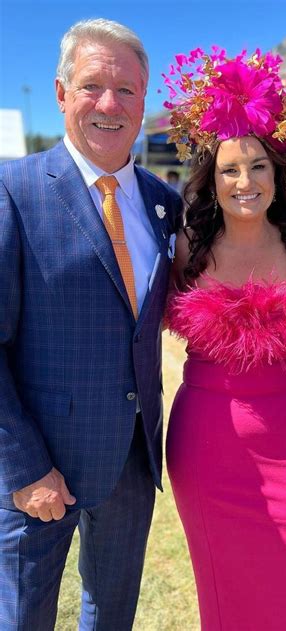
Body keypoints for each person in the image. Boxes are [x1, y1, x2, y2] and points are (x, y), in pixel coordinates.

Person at [0, 18, 181, 631]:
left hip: (132, 458)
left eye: (127, 89)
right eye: (92, 87)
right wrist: (23, 469)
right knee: (23, 616)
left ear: (145, 95)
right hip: (40, 467)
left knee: (112, 614)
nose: (110, 105)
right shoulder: (12, 191)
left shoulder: (164, 202)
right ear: (60, 93)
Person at [163, 47, 286, 630]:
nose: (246, 181)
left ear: (277, 172)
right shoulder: (187, 252)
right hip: (209, 445)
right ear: (210, 180)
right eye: (230, 170)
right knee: (225, 585)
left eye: (258, 166)